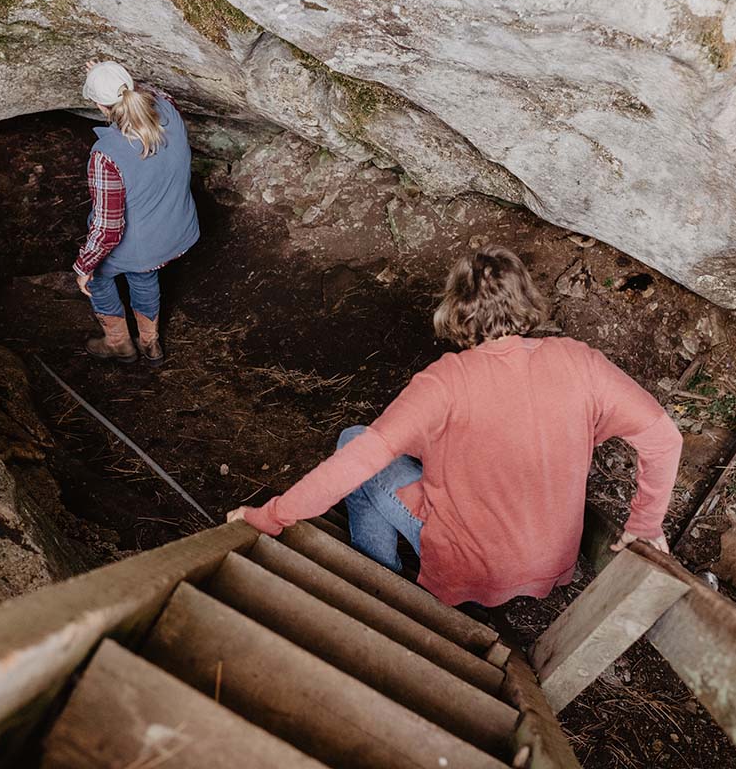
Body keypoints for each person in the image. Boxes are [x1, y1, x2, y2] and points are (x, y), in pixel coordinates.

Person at [227, 245, 682, 608]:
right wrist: (643, 524)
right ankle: (385, 577)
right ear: (525, 299)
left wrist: (269, 516)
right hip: (550, 560)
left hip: (475, 569)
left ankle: (382, 586)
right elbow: (665, 438)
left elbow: (357, 463)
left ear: (457, 309)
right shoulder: (579, 361)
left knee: (354, 441)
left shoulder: (444, 383)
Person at [74, 60, 199, 367]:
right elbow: (149, 93)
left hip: (138, 243)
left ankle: (119, 344)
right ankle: (150, 344)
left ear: (100, 108)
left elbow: (108, 227)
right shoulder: (168, 107)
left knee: (99, 279)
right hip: (174, 230)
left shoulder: (106, 156)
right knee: (144, 276)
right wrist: (109, 74)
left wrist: (83, 266)